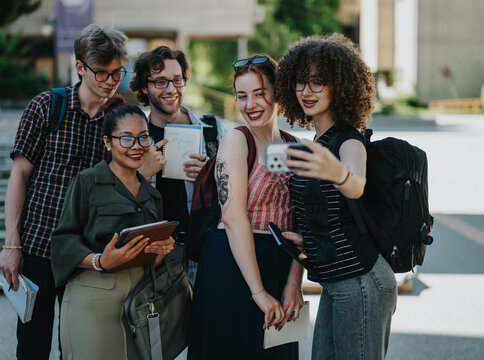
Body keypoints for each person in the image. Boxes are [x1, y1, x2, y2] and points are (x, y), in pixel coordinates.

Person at [0, 24, 129, 359]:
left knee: (83, 347)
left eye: (117, 73)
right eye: (101, 73)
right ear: (80, 67)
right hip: (39, 247)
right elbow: (19, 176)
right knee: (32, 348)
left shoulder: (120, 118)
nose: (110, 81)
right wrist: (12, 244)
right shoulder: (46, 106)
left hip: (88, 254)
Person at [276, 33, 398, 360]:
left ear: (340, 85)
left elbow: (355, 184)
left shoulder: (348, 140)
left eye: (318, 82)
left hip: (361, 281)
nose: (306, 91)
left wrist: (338, 173)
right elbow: (331, 213)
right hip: (337, 281)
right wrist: (308, 238)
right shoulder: (316, 141)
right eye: (301, 82)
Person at [187, 55, 304, 360]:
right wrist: (258, 292)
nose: (250, 104)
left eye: (259, 93)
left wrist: (294, 283)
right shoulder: (237, 140)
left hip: (280, 263)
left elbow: (304, 223)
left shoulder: (294, 145)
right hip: (232, 265)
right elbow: (234, 216)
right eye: (242, 95)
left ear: (278, 93)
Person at [50, 103, 175, 359]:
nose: (137, 146)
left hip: (139, 301)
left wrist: (162, 249)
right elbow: (62, 242)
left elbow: (154, 259)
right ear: (108, 142)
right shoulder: (87, 181)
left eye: (143, 137)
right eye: (126, 138)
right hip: (95, 299)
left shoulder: (152, 194)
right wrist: (100, 261)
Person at [129, 45, 225, 283]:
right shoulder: (130, 134)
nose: (171, 89)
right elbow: (114, 198)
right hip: (153, 255)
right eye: (160, 82)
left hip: (203, 253)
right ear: (144, 86)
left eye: (177, 80)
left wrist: (210, 174)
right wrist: (142, 174)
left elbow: (236, 192)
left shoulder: (213, 130)